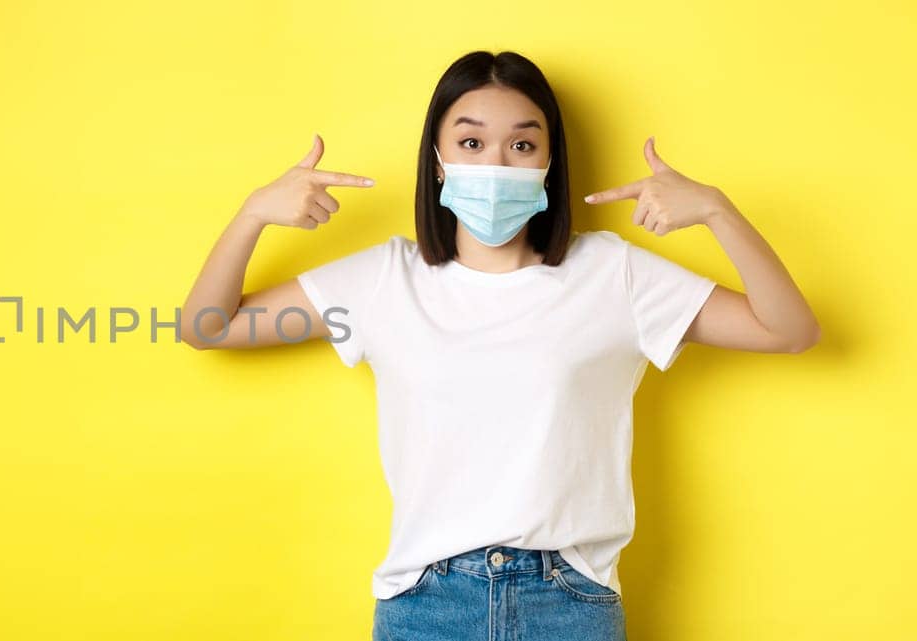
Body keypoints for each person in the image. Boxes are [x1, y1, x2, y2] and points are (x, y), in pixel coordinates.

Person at [178, 50, 820, 641]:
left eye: (521, 144)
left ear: (548, 161)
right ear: (438, 158)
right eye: (471, 141)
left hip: (570, 601)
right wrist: (253, 214)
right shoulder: (383, 280)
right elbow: (208, 327)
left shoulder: (614, 274)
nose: (495, 163)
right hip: (424, 602)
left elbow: (788, 330)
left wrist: (717, 212)